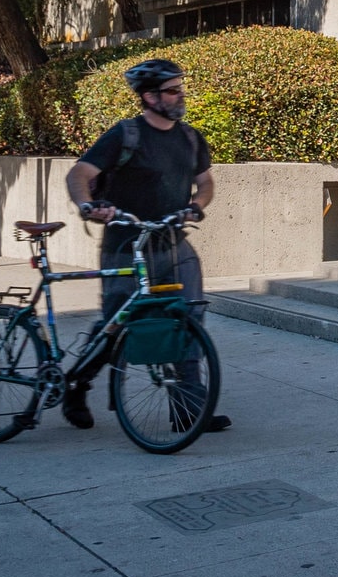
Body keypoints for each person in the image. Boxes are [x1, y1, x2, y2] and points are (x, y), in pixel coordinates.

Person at [62, 58, 231, 434]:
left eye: (180, 88)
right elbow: (81, 174)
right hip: (125, 245)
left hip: (173, 243)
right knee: (116, 326)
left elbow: (205, 184)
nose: (179, 95)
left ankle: (188, 409)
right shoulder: (126, 135)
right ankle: (76, 383)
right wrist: (88, 206)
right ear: (149, 96)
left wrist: (194, 208)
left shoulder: (190, 138)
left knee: (187, 320)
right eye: (172, 90)